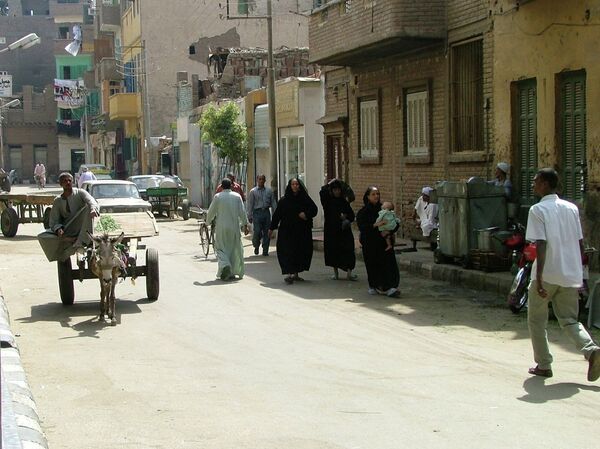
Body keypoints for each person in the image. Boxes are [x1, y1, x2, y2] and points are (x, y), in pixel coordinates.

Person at [525, 168, 600, 381]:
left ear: (546, 184)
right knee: (569, 319)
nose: (533, 185)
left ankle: (543, 364)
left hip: (547, 273)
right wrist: (581, 274)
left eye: (536, 181)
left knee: (537, 320)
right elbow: (579, 243)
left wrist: (538, 278)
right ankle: (591, 349)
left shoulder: (537, 210)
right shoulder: (571, 209)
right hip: (570, 273)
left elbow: (540, 243)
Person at [38, 172, 100, 262]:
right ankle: (69, 239)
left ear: (72, 182)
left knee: (88, 207)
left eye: (69, 180)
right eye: (65, 181)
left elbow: (91, 201)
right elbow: (54, 221)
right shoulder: (58, 201)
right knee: (41, 236)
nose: (67, 182)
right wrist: (58, 228)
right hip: (68, 229)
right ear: (60, 184)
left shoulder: (80, 192)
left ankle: (80, 243)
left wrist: (93, 209)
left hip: (84, 227)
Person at [268, 178, 318, 284]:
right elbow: (277, 215)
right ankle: (289, 274)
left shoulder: (305, 199)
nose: (295, 186)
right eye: (293, 184)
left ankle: (296, 274)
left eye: (297, 184)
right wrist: (271, 228)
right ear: (290, 186)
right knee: (287, 252)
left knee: (299, 252)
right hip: (287, 232)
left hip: (301, 232)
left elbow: (314, 209)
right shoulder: (284, 200)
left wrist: (306, 214)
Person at [356, 186, 400, 297]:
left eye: (378, 194)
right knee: (373, 266)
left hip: (384, 243)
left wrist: (389, 231)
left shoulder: (384, 210)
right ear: (368, 197)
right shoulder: (363, 212)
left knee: (388, 265)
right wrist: (375, 225)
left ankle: (390, 287)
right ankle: (374, 285)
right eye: (373, 194)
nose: (376, 196)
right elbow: (362, 227)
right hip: (370, 243)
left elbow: (394, 223)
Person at [206, 178, 249, 281]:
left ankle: (226, 266)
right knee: (234, 249)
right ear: (231, 186)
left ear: (221, 186)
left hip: (221, 228)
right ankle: (233, 271)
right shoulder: (237, 196)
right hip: (234, 227)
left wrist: (207, 222)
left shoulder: (218, 197)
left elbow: (211, 212)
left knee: (221, 248)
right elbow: (242, 212)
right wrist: (245, 224)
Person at [319, 179, 357, 281]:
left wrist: (346, 218)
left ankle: (349, 273)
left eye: (338, 190)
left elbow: (352, 215)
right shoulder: (327, 202)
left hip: (344, 231)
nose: (337, 192)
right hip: (332, 231)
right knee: (333, 252)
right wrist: (329, 183)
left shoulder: (344, 202)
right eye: (334, 190)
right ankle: (336, 274)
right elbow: (322, 192)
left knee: (348, 251)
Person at [246, 174, 276, 256]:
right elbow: (250, 204)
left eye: (263, 179)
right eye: (260, 179)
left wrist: (275, 215)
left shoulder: (269, 191)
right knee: (257, 231)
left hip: (266, 212)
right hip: (257, 213)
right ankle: (256, 245)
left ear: (265, 180)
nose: (261, 181)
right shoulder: (253, 191)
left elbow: (273, 203)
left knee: (267, 232)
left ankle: (265, 250)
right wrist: (249, 216)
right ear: (257, 180)